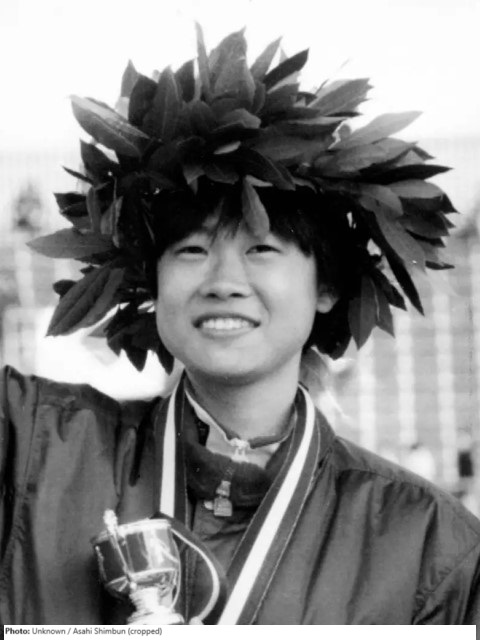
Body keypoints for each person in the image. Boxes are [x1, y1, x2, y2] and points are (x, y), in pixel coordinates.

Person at [1, 26, 480, 625]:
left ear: (327, 286)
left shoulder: (431, 550)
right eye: (192, 250)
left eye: (261, 249)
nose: (224, 281)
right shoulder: (32, 448)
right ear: (152, 282)